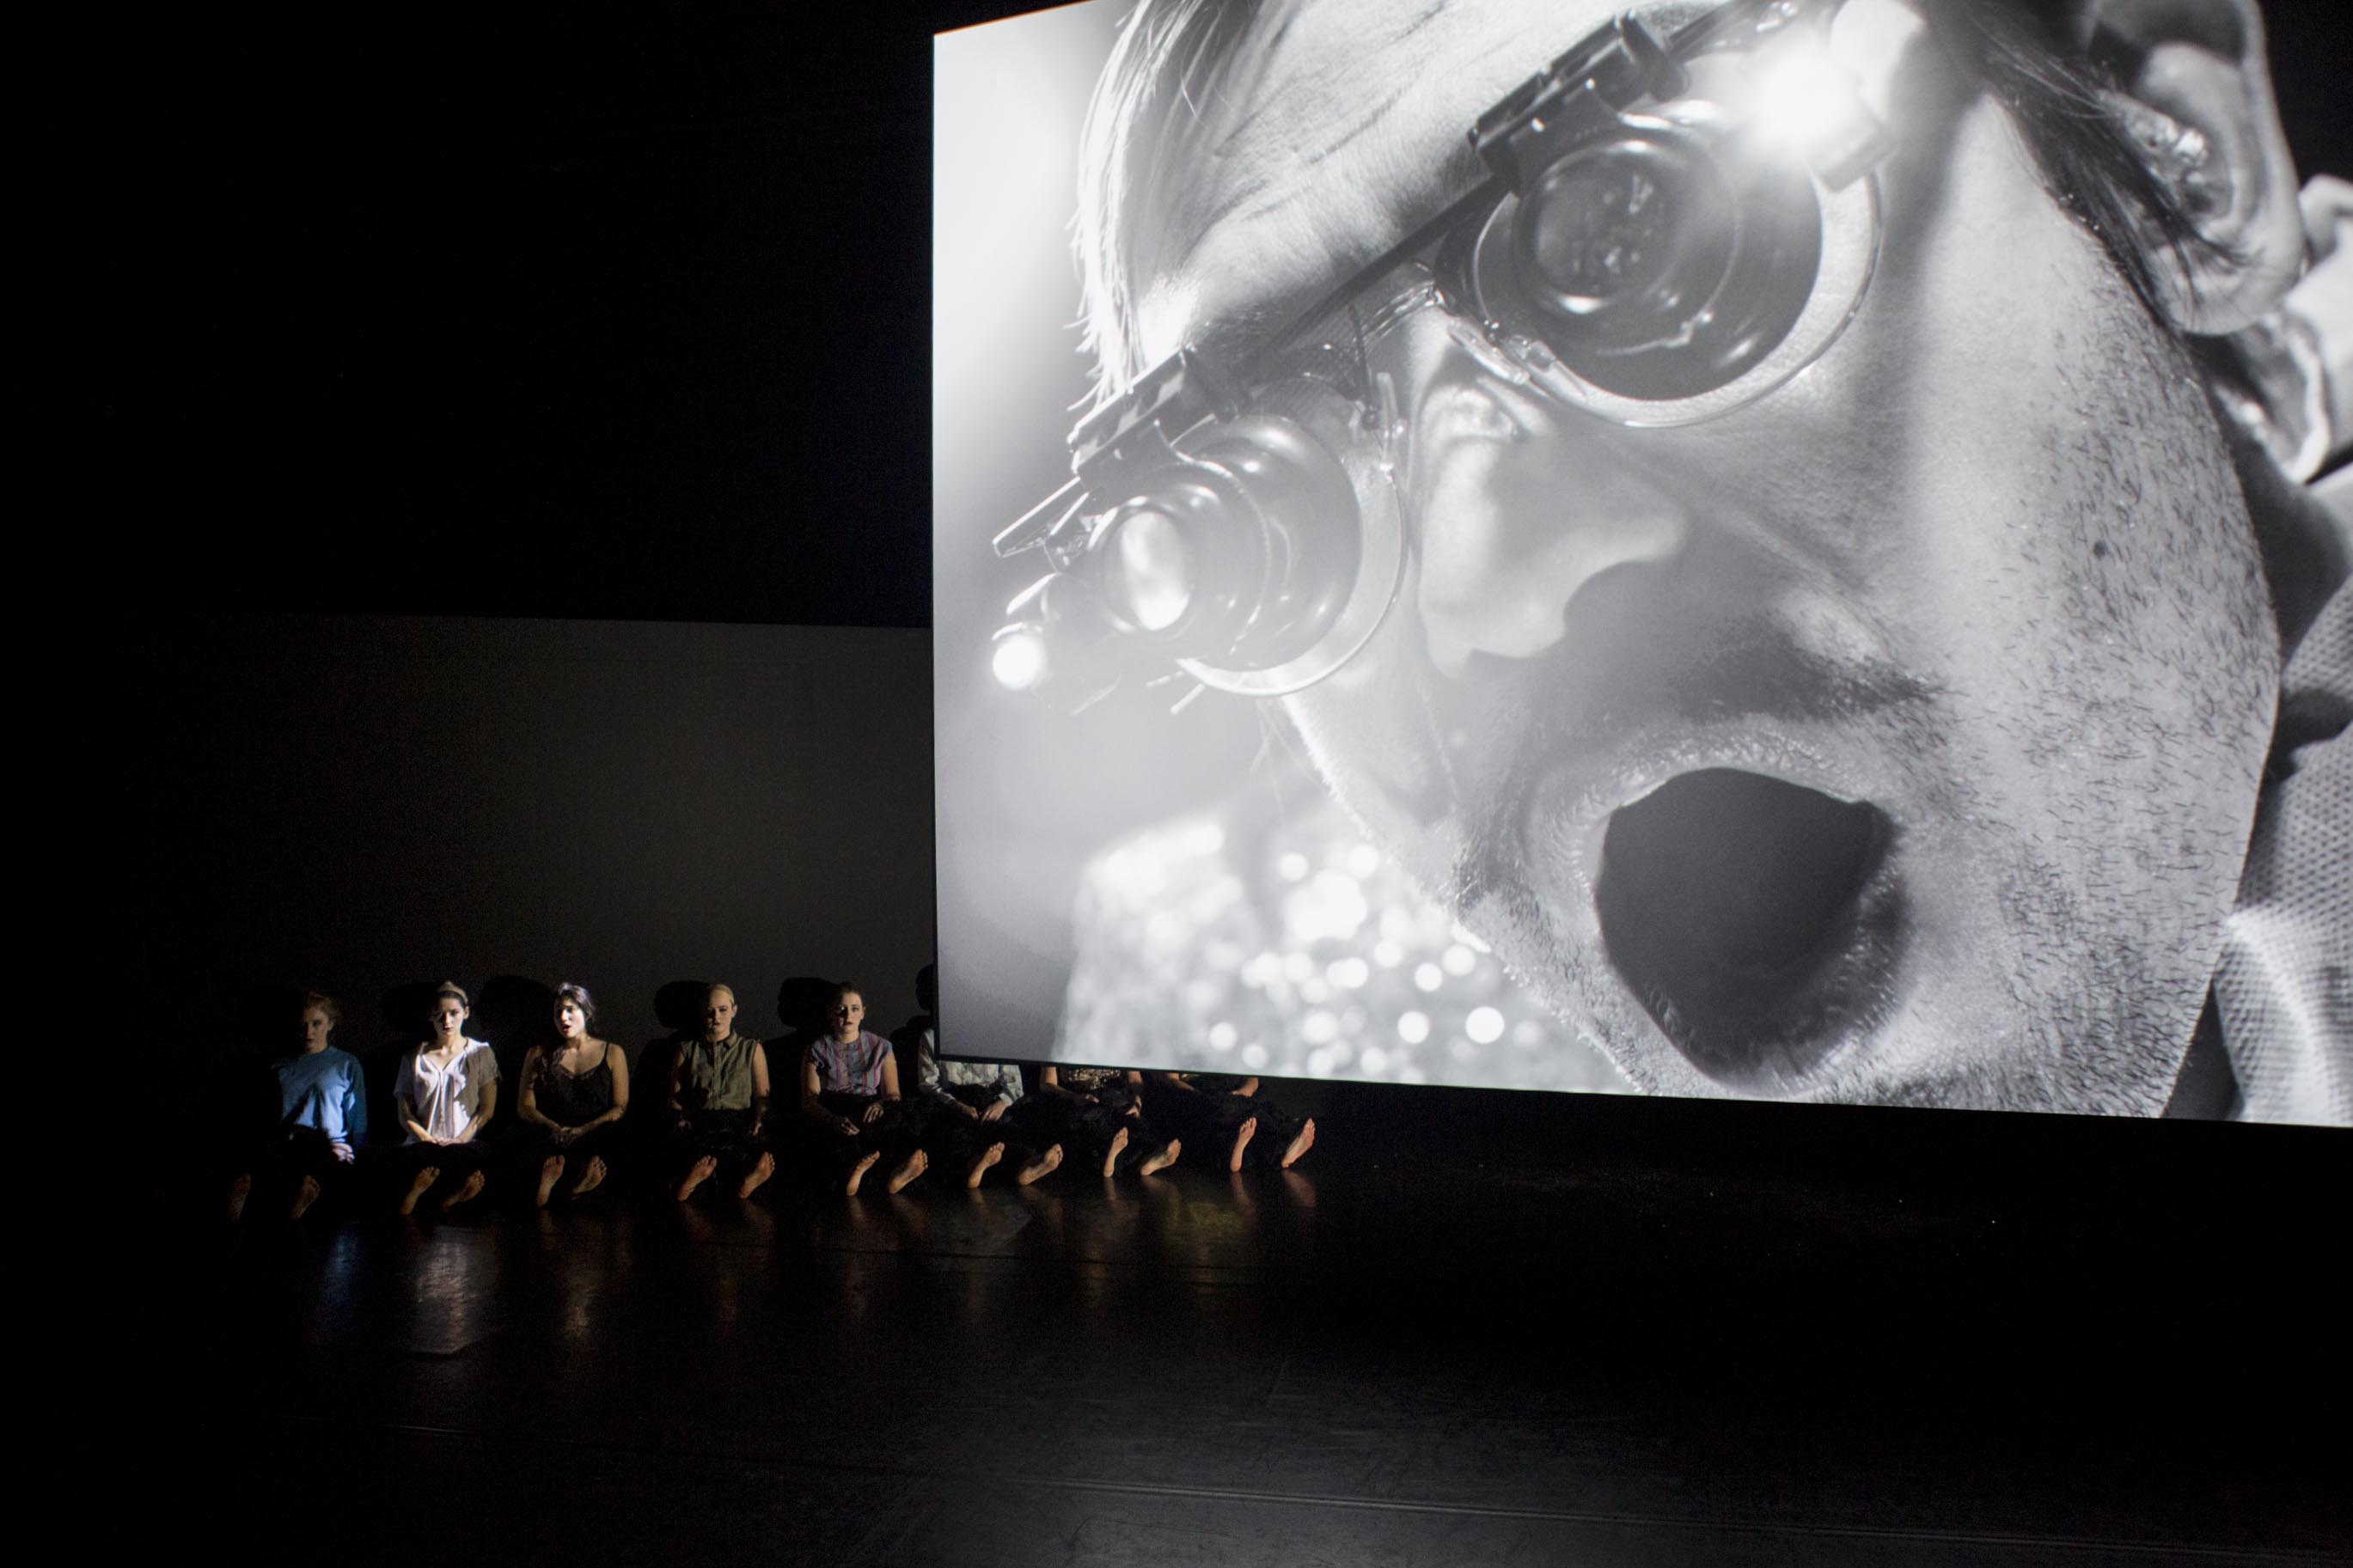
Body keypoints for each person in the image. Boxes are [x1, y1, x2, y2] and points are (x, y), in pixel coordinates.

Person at [1003, 0, 2351, 1122]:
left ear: (2184, 154)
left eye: (1655, 235)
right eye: (1268, 507)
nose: (1490, 581)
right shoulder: (1263, 1037)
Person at [896, 964, 1066, 1187]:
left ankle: (1025, 1168)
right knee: (950, 1132)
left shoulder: (996, 1033)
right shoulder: (931, 1037)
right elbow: (928, 1084)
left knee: (1010, 1129)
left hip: (989, 1098)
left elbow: (1013, 1082)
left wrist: (1001, 1103)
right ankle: (973, 1168)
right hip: (952, 1100)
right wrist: (956, 1104)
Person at [226, 991, 368, 1223]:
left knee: (315, 1167)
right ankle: (245, 1208)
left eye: (316, 1023)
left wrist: (358, 1152)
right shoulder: (279, 1066)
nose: (309, 1032)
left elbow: (358, 1115)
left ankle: (298, 1206)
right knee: (266, 1163)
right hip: (287, 1140)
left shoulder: (345, 1063)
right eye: (303, 1025)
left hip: (327, 1143)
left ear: (330, 1024)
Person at [801, 983, 929, 1194]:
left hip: (869, 1107)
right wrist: (833, 1120)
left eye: (854, 1009)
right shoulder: (817, 1048)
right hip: (836, 1107)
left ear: (862, 1013)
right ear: (830, 1013)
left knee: (901, 1117)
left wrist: (880, 1105)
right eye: (841, 1009)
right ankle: (853, 1175)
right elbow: (809, 1099)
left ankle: (894, 1177)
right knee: (827, 1134)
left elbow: (893, 1094)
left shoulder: (881, 1046)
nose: (848, 1015)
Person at [511, 982, 629, 1206]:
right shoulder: (538, 1053)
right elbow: (525, 1106)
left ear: (586, 1012)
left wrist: (585, 1129)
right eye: (558, 1012)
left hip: (593, 1130)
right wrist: (553, 1127)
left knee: (610, 1148)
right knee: (530, 1146)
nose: (563, 1018)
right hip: (552, 1130)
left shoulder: (613, 1052)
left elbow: (620, 1106)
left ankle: (573, 1189)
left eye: (569, 1010)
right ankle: (554, 1188)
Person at [388, 981, 499, 1214]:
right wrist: (426, 1138)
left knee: (468, 1160)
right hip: (424, 1142)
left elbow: (487, 1108)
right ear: (430, 1016)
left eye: (453, 1013)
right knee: (414, 1161)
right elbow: (404, 1110)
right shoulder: (415, 1057)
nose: (446, 1021)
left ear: (465, 1013)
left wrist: (460, 1139)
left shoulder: (480, 1053)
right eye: (440, 1015)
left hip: (463, 1142)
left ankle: (445, 1198)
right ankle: (422, 1197)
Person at [668, 983, 778, 1201]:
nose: (716, 1017)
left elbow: (762, 1096)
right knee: (690, 1150)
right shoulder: (687, 1049)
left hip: (736, 1121)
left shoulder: (751, 1049)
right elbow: (675, 1096)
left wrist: (759, 1119)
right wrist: (679, 1118)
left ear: (734, 1011)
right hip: (701, 1120)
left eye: (723, 1010)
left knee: (742, 1151)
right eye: (710, 1011)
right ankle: (692, 1183)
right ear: (702, 1012)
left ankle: (743, 1183)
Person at [1017, 1065, 1182, 1179]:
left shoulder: (1119, 1038)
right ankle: (1120, 1162)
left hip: (1114, 1099)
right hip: (1077, 1098)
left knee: (1129, 1123)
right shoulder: (1059, 1037)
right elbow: (1047, 1084)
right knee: (1087, 1120)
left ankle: (1143, 1162)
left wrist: (1137, 1103)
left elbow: (1134, 1080)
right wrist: (1074, 1097)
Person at [1143, 1072, 1316, 1173]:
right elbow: (1172, 1080)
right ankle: (1271, 1156)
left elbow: (1252, 1078)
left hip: (1234, 1094)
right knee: (1216, 1118)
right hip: (1199, 1094)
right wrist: (1201, 1097)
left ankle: (1283, 1156)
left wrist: (1242, 1092)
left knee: (1258, 1120)